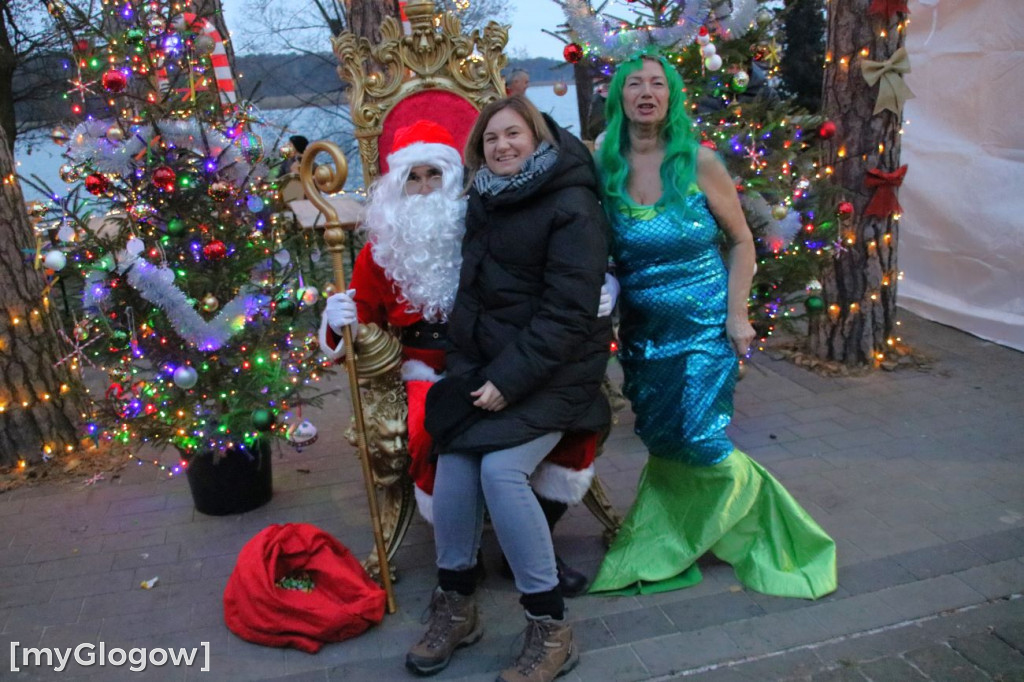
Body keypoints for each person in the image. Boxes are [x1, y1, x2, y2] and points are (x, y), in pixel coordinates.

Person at [588, 53, 837, 599]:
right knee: (663, 436)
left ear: (672, 96)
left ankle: (784, 534)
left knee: (700, 438)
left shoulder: (698, 162)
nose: (647, 92)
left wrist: (737, 314)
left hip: (703, 326)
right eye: (635, 84)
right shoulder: (604, 162)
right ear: (620, 98)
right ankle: (676, 533)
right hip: (642, 334)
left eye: (658, 83)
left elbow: (743, 240)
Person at [319, 119, 602, 598]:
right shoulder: (378, 252)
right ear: (396, 186)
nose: (426, 188)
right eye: (414, 177)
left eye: (436, 175)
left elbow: (548, 276)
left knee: (569, 434)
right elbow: (358, 320)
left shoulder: (481, 227)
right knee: (432, 432)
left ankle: (531, 544)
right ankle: (460, 562)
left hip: (496, 358)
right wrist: (336, 317)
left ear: (454, 179)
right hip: (424, 368)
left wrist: (598, 288)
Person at [405, 97, 611, 681]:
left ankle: (550, 626)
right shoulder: (487, 202)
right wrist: (467, 373)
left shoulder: (571, 204)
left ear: (538, 138)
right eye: (490, 138)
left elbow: (569, 316)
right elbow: (471, 303)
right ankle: (457, 606)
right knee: (453, 457)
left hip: (558, 373)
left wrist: (505, 379)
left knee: (499, 470)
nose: (501, 146)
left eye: (512, 133)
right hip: (492, 370)